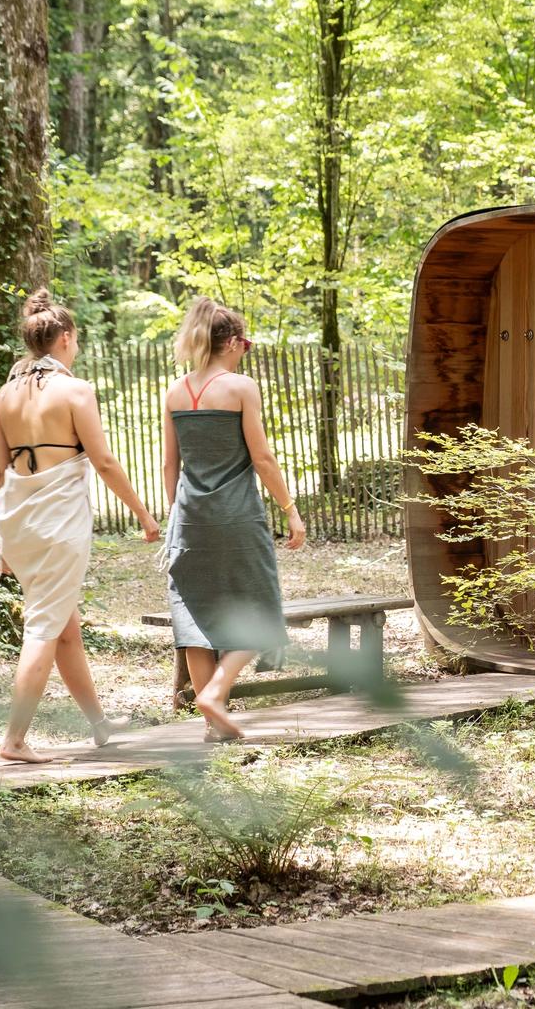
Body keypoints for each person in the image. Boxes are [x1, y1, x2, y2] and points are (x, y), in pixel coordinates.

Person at [0, 291, 161, 764]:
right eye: (76, 338)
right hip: (58, 524)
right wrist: (144, 515)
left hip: (18, 522)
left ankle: (99, 725)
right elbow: (103, 460)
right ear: (65, 338)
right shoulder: (75, 391)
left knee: (65, 626)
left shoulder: (4, 395)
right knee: (44, 627)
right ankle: (15, 740)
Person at [161, 298, 305, 741]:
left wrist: (177, 515)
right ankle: (214, 694)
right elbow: (261, 457)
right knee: (259, 609)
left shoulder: (175, 391)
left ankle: (213, 725)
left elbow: (170, 465)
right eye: (246, 343)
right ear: (233, 342)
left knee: (195, 618)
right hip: (238, 517)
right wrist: (290, 511)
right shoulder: (241, 387)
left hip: (188, 519)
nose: (247, 351)